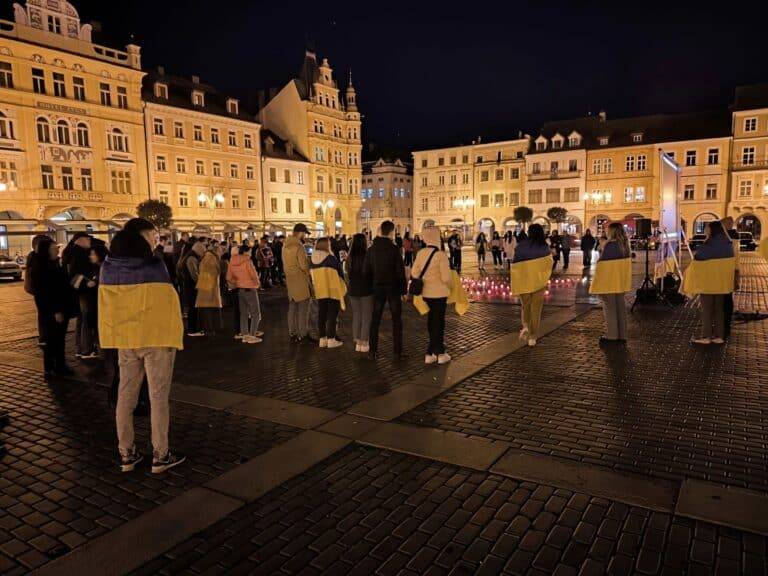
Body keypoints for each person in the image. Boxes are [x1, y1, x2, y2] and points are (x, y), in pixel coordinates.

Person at [99, 218, 185, 474]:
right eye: (153, 234)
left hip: (126, 338)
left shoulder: (108, 268)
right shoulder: (154, 265)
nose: (155, 239)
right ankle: (161, 454)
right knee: (158, 397)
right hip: (156, 338)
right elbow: (168, 301)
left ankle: (126, 452)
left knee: (125, 396)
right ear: (141, 235)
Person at [682, 220, 736, 345]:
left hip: (707, 283)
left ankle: (706, 336)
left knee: (706, 309)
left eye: (707, 228)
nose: (706, 230)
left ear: (712, 230)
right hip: (722, 283)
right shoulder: (728, 244)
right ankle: (719, 336)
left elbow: (698, 259)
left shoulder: (709, 245)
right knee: (719, 309)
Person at [30, 237, 73, 376]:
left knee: (57, 339)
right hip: (53, 311)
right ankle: (54, 367)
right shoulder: (43, 268)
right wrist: (56, 310)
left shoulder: (52, 264)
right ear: (47, 250)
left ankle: (55, 366)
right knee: (54, 339)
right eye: (55, 248)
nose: (57, 250)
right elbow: (46, 292)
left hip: (56, 309)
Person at [365, 220, 408, 359]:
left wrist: (371, 284)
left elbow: (366, 270)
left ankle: (372, 351)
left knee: (375, 319)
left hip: (377, 287)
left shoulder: (371, 249)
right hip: (393, 288)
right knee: (396, 320)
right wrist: (403, 290)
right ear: (391, 232)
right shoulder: (394, 249)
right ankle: (397, 352)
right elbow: (400, 272)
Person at [411, 226, 453, 364]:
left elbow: (414, 273)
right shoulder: (441, 255)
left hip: (426, 293)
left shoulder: (421, 253)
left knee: (432, 321)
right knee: (439, 322)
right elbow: (446, 277)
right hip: (440, 293)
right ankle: (440, 353)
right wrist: (451, 287)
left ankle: (430, 352)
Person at [510, 224, 553, 347]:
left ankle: (526, 327)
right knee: (536, 309)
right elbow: (549, 263)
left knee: (526, 307)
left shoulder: (521, 246)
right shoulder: (544, 246)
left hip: (524, 281)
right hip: (539, 282)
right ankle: (533, 336)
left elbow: (515, 263)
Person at [590, 222, 632, 344]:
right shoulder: (625, 245)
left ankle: (612, 335)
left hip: (609, 281)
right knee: (620, 307)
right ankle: (622, 335)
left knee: (610, 308)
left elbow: (602, 263)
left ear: (612, 232)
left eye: (608, 230)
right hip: (620, 281)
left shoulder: (610, 245)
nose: (606, 232)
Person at [63, 232, 96, 358]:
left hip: (78, 291)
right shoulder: (79, 253)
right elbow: (77, 273)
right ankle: (86, 349)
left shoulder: (71, 251)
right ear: (80, 240)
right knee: (86, 319)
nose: (89, 241)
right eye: (87, 239)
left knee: (82, 319)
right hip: (84, 291)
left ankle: (80, 347)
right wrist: (89, 283)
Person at [309, 237, 346, 348]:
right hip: (332, 289)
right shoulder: (330, 258)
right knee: (332, 315)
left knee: (322, 313)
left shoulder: (312, 260)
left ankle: (322, 339)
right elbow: (340, 273)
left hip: (320, 290)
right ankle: (331, 339)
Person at [226, 244, 263, 344]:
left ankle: (245, 334)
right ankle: (252, 336)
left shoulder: (232, 261)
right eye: (250, 251)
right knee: (255, 313)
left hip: (240, 289)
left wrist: (237, 282)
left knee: (243, 313)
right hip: (250, 289)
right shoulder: (247, 261)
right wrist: (257, 283)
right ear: (246, 252)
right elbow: (253, 275)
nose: (251, 253)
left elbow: (229, 277)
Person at [283, 224, 313, 342]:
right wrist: (308, 266)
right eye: (304, 233)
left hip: (290, 280)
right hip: (300, 280)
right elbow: (304, 265)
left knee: (292, 308)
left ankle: (292, 333)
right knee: (303, 309)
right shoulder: (299, 246)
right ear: (300, 233)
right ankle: (303, 333)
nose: (304, 235)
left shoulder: (285, 245)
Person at [346, 233, 373, 353]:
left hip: (353, 290)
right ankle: (364, 342)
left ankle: (357, 342)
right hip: (366, 289)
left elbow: (347, 274)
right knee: (366, 317)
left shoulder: (349, 257)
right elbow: (371, 274)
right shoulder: (368, 256)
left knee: (357, 315)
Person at [25, 234, 54, 346]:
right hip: (41, 291)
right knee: (45, 313)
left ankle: (44, 337)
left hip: (38, 291)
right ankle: (45, 337)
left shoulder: (33, 257)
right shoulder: (38, 259)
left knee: (43, 314)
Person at [195, 243, 222, 336]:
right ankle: (209, 330)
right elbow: (214, 273)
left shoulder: (207, 257)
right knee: (208, 310)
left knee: (206, 310)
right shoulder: (211, 258)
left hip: (205, 287)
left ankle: (207, 329)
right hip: (209, 287)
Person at [720, 217, 740, 338]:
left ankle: (724, 325)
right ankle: (726, 325)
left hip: (726, 271)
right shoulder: (735, 237)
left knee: (725, 300)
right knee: (728, 298)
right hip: (732, 270)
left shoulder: (728, 239)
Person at [180, 241, 205, 336]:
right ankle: (192, 330)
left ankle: (192, 329)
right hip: (191, 286)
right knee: (193, 308)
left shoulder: (188, 256)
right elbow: (194, 274)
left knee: (192, 308)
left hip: (188, 285)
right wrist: (201, 282)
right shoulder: (191, 258)